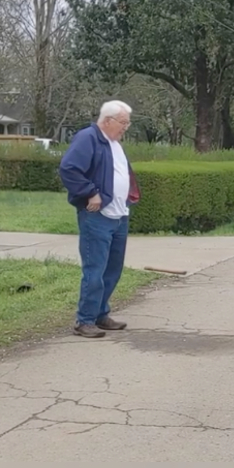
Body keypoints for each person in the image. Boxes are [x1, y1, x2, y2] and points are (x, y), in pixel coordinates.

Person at [59, 99, 140, 338]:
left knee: (112, 269)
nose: (126, 127)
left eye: (128, 122)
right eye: (123, 122)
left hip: (119, 215)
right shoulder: (88, 138)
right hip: (97, 216)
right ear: (107, 120)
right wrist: (90, 192)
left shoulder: (113, 143)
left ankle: (100, 314)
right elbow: (69, 169)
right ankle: (84, 320)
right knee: (95, 269)